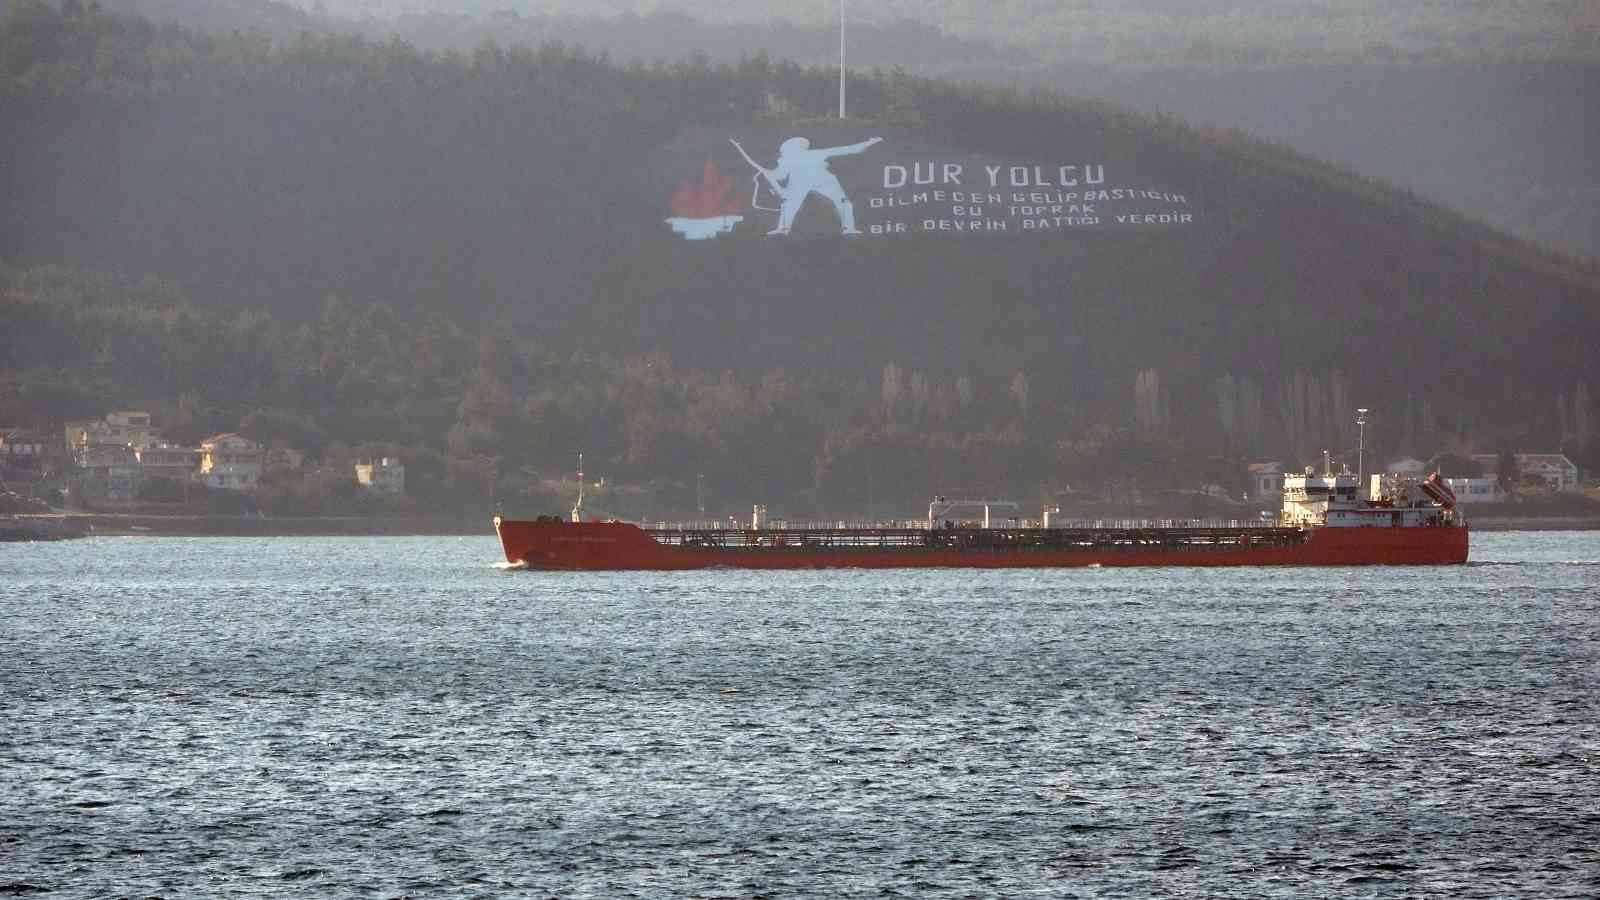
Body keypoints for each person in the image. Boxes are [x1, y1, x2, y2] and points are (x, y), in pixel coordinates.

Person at [757, 136, 882, 236]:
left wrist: (868, 143)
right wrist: (769, 173)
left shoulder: (814, 154)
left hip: (824, 180)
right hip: (801, 182)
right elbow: (780, 176)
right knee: (789, 205)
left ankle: (849, 228)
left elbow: (847, 149)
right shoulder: (786, 159)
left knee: (843, 202)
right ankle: (782, 229)